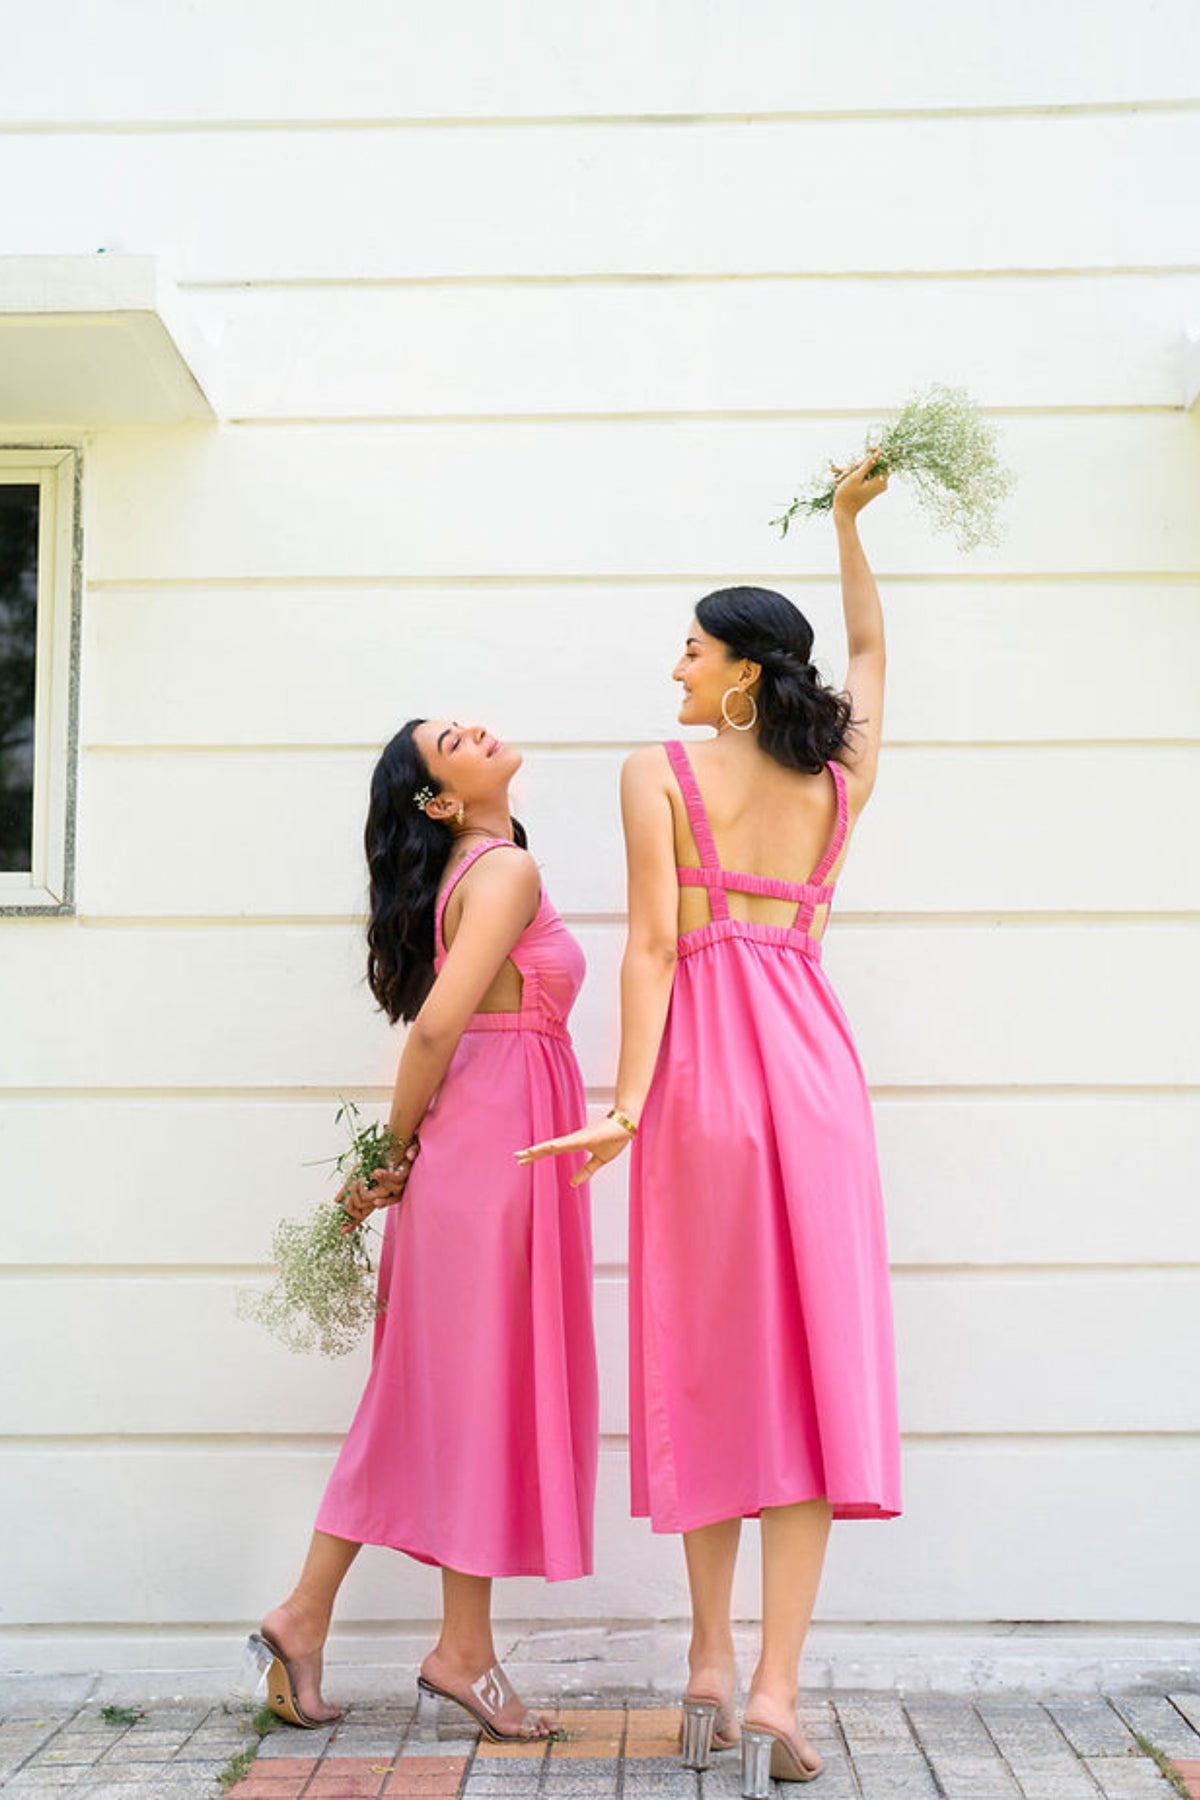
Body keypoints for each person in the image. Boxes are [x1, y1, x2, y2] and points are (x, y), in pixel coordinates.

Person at [519, 456, 900, 1794]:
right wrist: (851, 525)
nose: (673, 670)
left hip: (708, 1085)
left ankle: (706, 1662)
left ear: (741, 669)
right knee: (811, 1379)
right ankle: (780, 1690)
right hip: (818, 1074)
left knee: (709, 1365)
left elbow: (653, 952)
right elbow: (865, 644)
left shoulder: (658, 774)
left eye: (690, 651)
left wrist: (626, 1098)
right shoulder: (840, 769)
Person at [245, 718, 598, 1742]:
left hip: (486, 1156)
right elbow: (440, 1024)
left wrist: (397, 1161)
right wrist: (384, 1158)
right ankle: (456, 1652)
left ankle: (315, 1620)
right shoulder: (503, 873)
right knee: (466, 1398)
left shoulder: (481, 872)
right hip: (490, 1166)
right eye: (453, 739)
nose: (478, 728)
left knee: (431, 1401)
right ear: (439, 802)